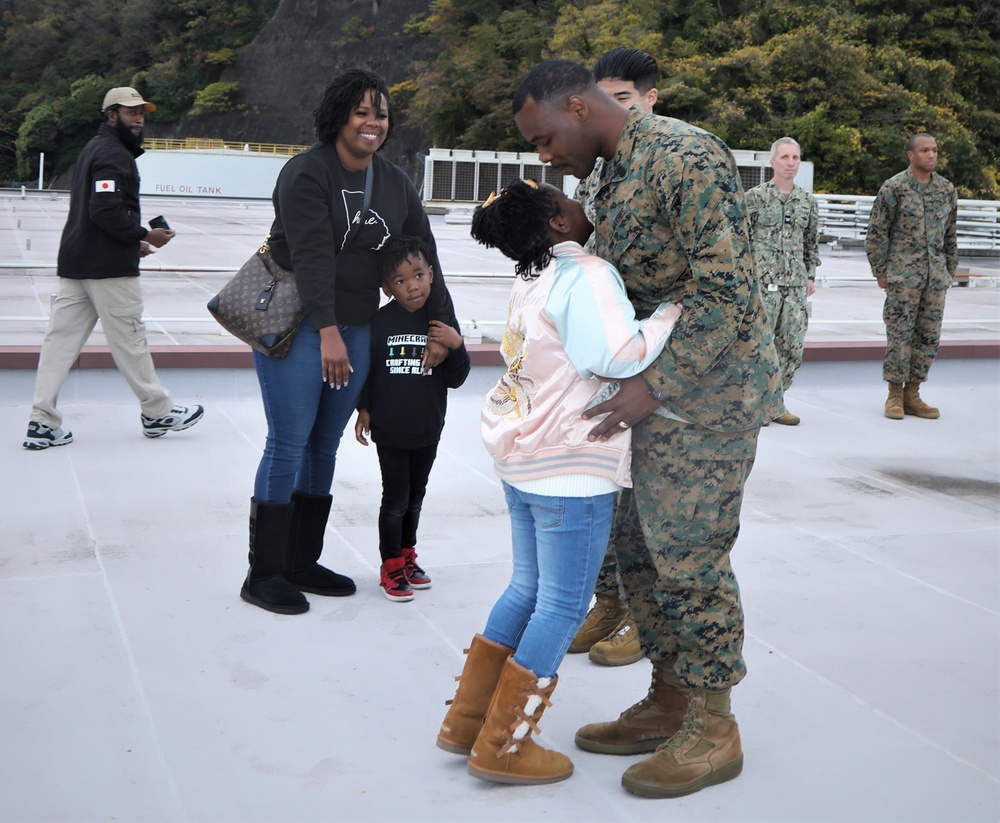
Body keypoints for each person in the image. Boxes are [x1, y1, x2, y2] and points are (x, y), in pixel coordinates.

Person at [511, 60, 781, 799]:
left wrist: (654, 386)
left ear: (576, 105)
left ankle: (716, 724)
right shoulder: (604, 176)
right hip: (647, 401)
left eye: (544, 139)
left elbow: (724, 290)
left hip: (708, 397)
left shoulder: (683, 156)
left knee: (689, 555)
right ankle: (669, 696)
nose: (545, 157)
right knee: (637, 552)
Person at [436, 178, 681, 785]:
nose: (582, 204)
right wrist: (669, 316)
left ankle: (467, 723)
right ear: (556, 223)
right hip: (569, 468)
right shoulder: (586, 273)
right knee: (564, 603)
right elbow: (617, 357)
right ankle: (505, 746)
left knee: (527, 589)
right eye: (569, 201)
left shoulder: (529, 276)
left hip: (523, 456)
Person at [240, 69, 457, 615]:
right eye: (362, 111)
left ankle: (301, 560)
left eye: (380, 113)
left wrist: (441, 327)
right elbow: (312, 258)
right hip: (301, 327)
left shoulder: (394, 183)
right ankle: (264, 572)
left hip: (357, 329)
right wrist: (328, 332)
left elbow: (427, 258)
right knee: (288, 441)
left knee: (324, 444)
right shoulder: (305, 173)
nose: (372, 122)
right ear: (339, 115)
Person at [23, 87, 204, 450]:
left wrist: (132, 241)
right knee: (130, 339)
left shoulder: (93, 148)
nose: (138, 119)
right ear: (111, 116)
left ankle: (42, 421)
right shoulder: (113, 154)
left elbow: (96, 211)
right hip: (107, 269)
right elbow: (104, 210)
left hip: (77, 262)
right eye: (130, 112)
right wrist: (145, 234)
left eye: (141, 113)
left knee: (60, 343)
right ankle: (157, 412)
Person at [570, 46, 661, 667]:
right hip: (612, 349)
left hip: (661, 357)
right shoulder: (596, 172)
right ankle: (610, 599)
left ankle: (646, 616)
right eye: (604, 99)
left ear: (651, 100)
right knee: (605, 485)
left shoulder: (674, 162)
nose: (613, 111)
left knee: (652, 498)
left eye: (624, 99)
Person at [354, 236, 470, 602]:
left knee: (415, 498)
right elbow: (368, 373)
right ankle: (390, 566)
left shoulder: (439, 325)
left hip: (427, 428)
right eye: (401, 280)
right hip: (390, 430)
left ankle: (408, 556)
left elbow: (456, 378)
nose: (412, 285)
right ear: (387, 288)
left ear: (432, 275)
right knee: (395, 500)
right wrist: (364, 408)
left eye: (418, 274)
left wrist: (456, 344)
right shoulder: (379, 323)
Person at [865, 132, 958, 420]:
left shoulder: (946, 189)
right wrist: (881, 271)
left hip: (934, 279)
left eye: (935, 150)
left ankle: (913, 393)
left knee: (928, 338)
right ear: (911, 155)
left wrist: (948, 270)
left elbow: (950, 235)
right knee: (900, 336)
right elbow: (877, 232)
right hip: (903, 277)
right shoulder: (894, 188)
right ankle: (894, 394)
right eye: (925, 150)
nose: (931, 155)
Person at [744, 137, 821, 426]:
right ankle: (755, 405)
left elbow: (811, 242)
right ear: (772, 161)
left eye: (795, 158)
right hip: (763, 284)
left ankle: (777, 403)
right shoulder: (754, 198)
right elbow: (741, 239)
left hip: (794, 285)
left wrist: (810, 274)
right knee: (759, 345)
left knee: (791, 346)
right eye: (785, 157)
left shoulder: (807, 202)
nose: (791, 163)